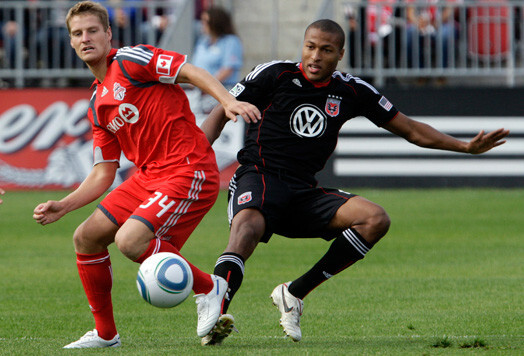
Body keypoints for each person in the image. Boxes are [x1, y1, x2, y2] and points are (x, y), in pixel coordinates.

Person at [199, 19, 509, 345]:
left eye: (326, 50)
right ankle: (216, 310)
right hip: (259, 176)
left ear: (340, 54)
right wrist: (195, 158)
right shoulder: (274, 74)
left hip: (303, 190)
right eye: (310, 47)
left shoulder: (351, 90)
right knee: (246, 230)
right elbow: (222, 111)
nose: (316, 56)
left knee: (375, 219)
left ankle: (294, 294)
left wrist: (464, 146)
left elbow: (410, 129)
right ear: (302, 46)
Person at [32, 1, 260, 349]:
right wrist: (65, 204)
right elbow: (103, 172)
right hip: (149, 176)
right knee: (86, 237)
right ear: (71, 42)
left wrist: (226, 101)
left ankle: (209, 287)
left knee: (130, 241)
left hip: (188, 167)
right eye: (77, 33)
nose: (85, 38)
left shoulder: (130, 60)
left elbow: (189, 70)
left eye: (93, 30)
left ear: (108, 34)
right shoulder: (96, 102)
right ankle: (106, 335)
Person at [192, 6, 243, 89]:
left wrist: (208, 86)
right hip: (198, 92)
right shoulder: (202, 41)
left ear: (216, 22)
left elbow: (228, 69)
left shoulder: (231, 41)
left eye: (206, 21)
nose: (203, 24)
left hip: (220, 92)